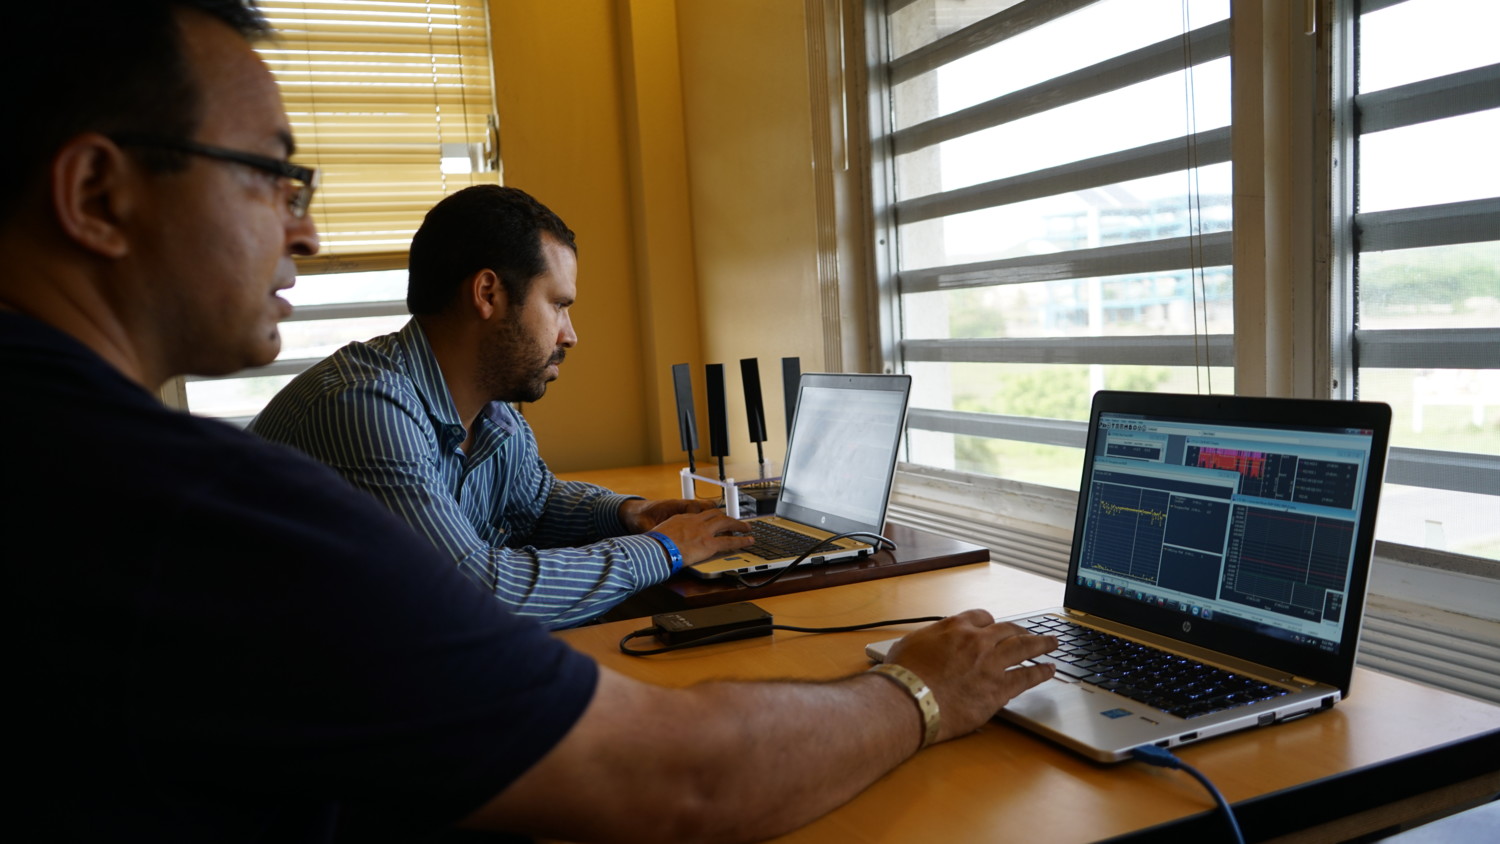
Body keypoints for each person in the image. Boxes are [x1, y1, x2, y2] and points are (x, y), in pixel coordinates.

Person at [3, 2, 1057, 841]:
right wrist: (917, 684)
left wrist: (636, 512)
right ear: (98, 191)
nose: (309, 230)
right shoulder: (243, 473)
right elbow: (672, 776)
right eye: (272, 175)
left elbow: (539, 501)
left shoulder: (481, 420)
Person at [249, 185, 740, 628]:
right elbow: (474, 595)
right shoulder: (364, 406)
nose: (570, 335)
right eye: (558, 305)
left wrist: (632, 513)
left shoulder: (494, 416)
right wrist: (665, 548)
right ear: (487, 294)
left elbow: (537, 506)